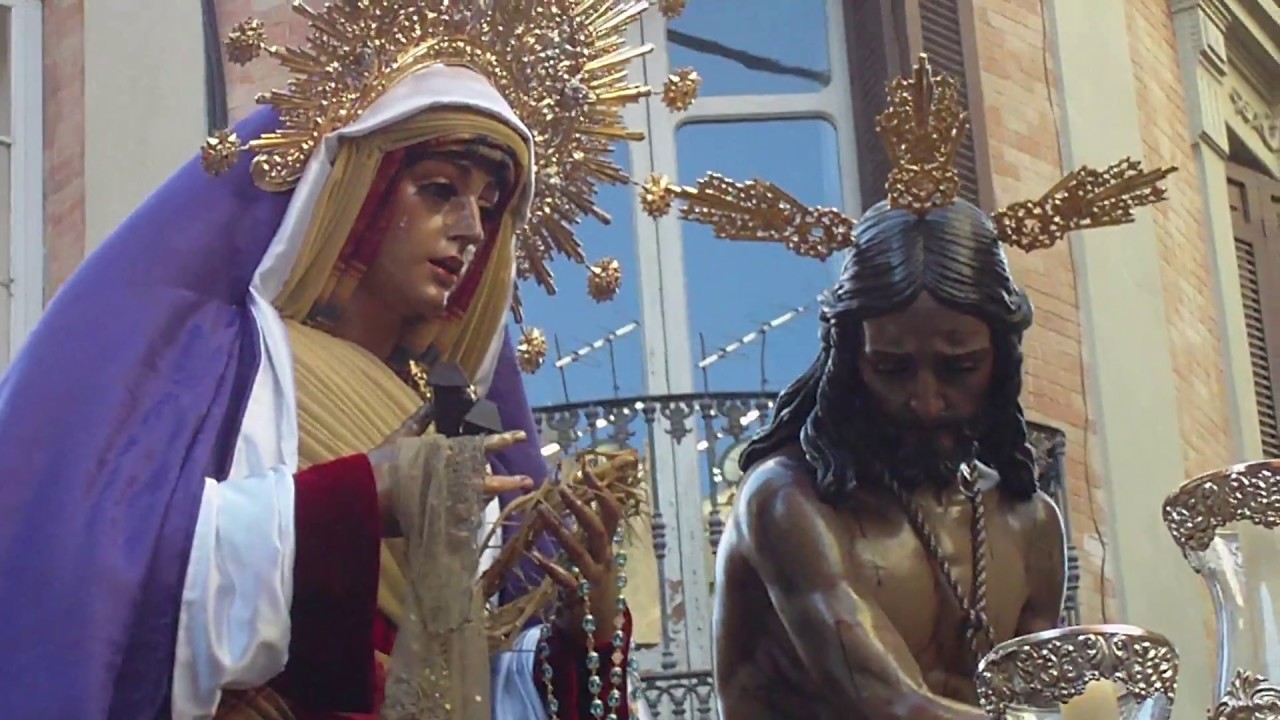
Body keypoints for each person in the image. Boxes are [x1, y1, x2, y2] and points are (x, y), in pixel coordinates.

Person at [0, 3, 672, 719]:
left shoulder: (462, 415)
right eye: (439, 190)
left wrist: (582, 625)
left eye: (488, 205)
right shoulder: (231, 358)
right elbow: (106, 563)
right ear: (362, 190)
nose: (472, 229)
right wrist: (359, 495)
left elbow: (475, 670)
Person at [644, 55, 1175, 719]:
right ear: (849, 362)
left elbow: (1044, 705)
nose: (925, 402)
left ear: (1002, 360)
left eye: (959, 367)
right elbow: (889, 704)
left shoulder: (1031, 523)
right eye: (893, 368)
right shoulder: (790, 503)